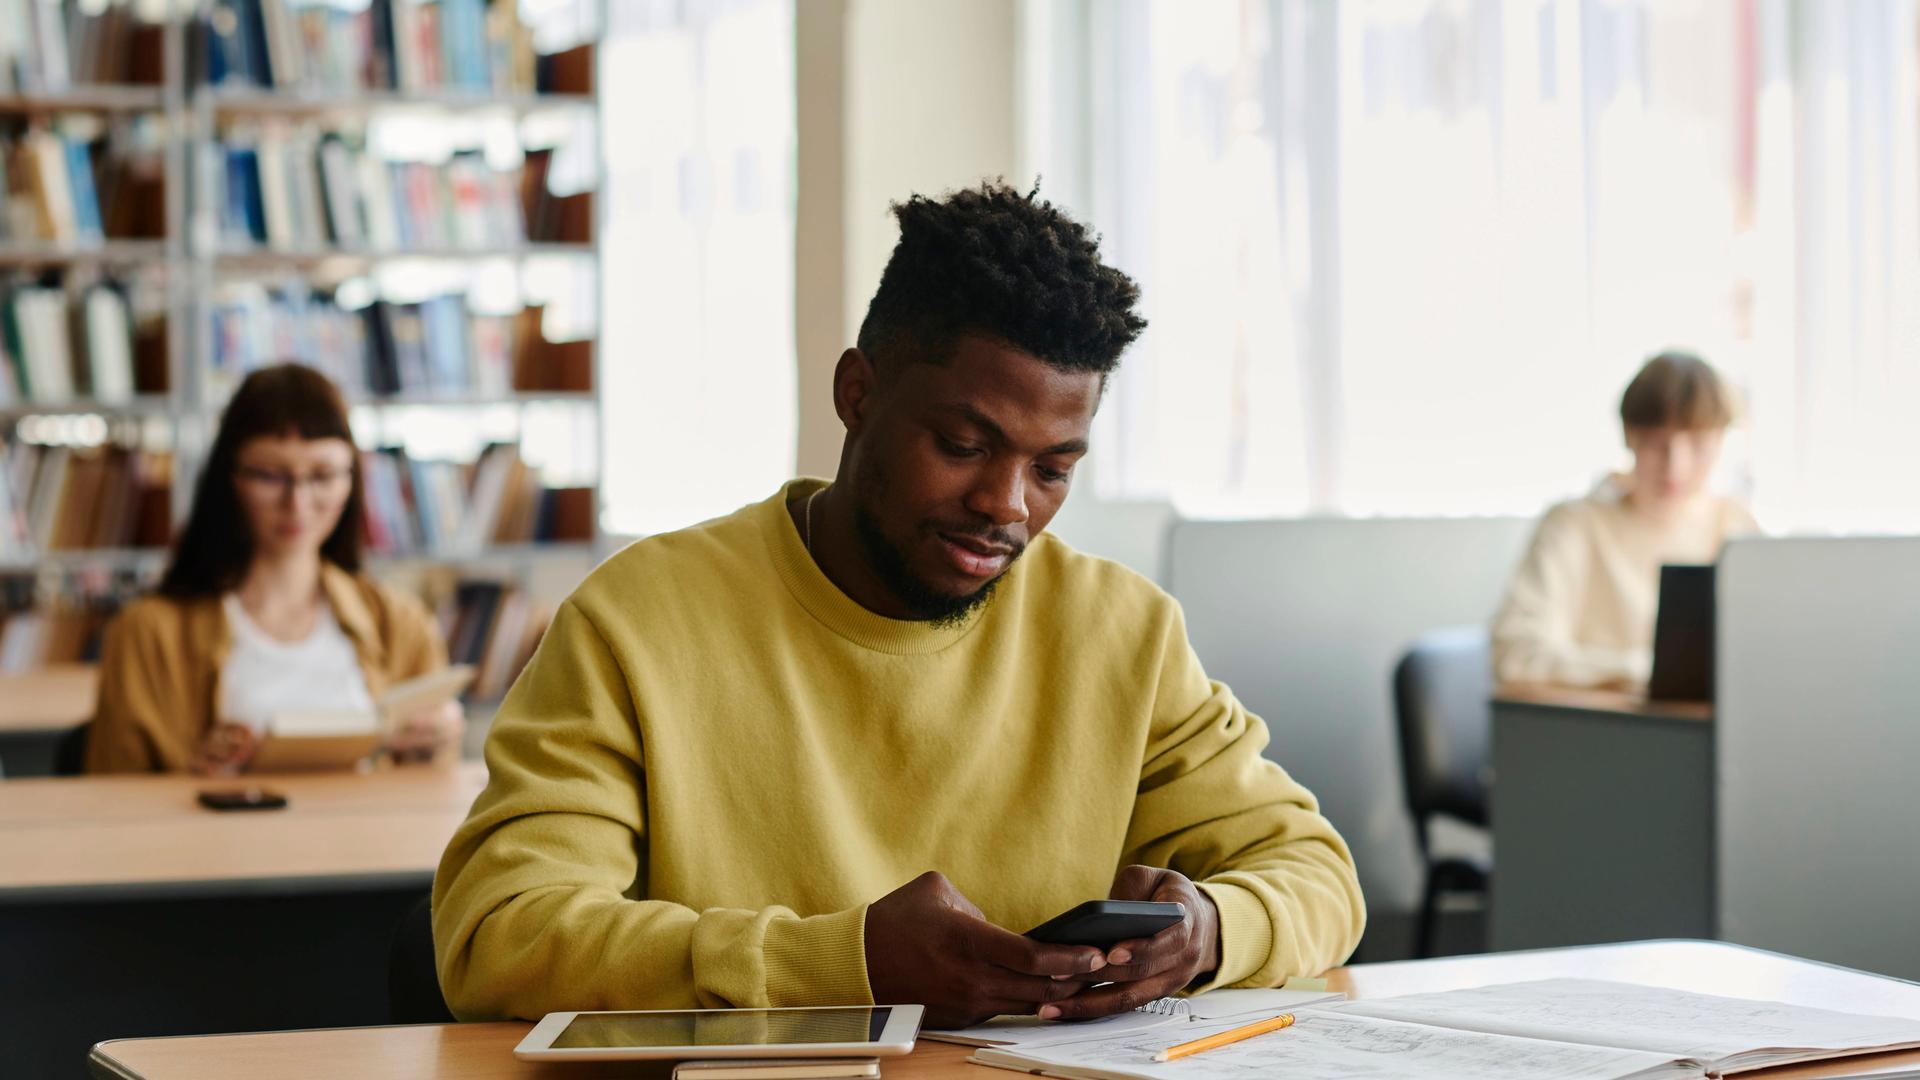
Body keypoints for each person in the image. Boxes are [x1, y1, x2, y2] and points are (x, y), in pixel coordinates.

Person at [433, 182, 1364, 1029]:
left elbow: (1318, 877)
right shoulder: (638, 621)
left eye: (1051, 470)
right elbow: (499, 934)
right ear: (856, 393)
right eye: (964, 444)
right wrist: (844, 963)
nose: (1007, 506)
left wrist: (1209, 928)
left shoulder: (1123, 632)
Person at [87, 363, 463, 774]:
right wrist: (191, 782)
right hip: (217, 840)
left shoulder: (401, 622)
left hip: (366, 836)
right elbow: (110, 800)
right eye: (270, 476)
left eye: (322, 476)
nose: (297, 503)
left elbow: (433, 793)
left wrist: (435, 745)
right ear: (229, 477)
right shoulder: (146, 634)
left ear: (352, 480)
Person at [1491, 351, 1760, 691]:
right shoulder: (1574, 525)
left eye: (1699, 445)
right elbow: (1515, 655)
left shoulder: (1735, 525)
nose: (1676, 466)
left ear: (1722, 440)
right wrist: (1646, 670)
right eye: (1656, 444)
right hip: (1605, 730)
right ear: (1629, 436)